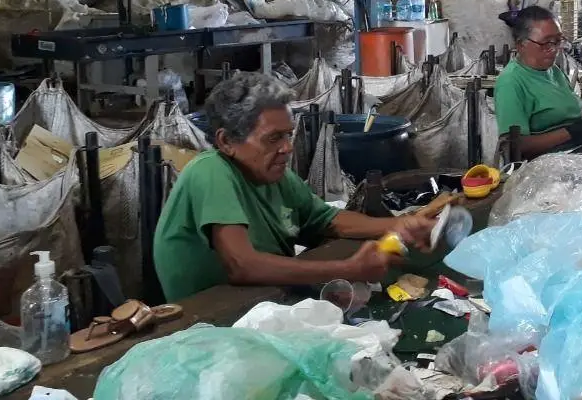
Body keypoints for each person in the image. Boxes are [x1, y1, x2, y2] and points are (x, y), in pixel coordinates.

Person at [153, 72, 436, 302]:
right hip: (206, 323)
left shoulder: (275, 176)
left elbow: (327, 220)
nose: (287, 148)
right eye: (273, 138)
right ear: (226, 141)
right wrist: (348, 269)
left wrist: (399, 225)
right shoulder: (210, 171)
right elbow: (241, 265)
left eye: (288, 135)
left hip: (260, 304)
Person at [493, 6, 582, 158]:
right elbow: (515, 147)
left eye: (558, 41)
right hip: (545, 165)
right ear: (521, 45)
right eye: (546, 43)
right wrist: (576, 130)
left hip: (576, 153)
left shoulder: (553, 70)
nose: (554, 49)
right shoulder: (511, 82)